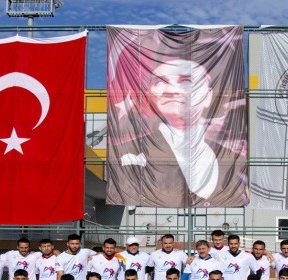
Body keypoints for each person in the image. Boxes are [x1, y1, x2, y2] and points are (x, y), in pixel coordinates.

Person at [106, 58, 248, 207]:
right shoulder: (127, 151)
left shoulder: (233, 159)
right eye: (159, 82)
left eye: (186, 81)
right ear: (149, 95)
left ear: (208, 96)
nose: (170, 90)